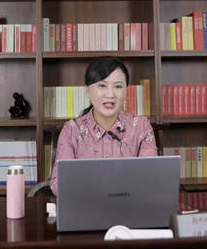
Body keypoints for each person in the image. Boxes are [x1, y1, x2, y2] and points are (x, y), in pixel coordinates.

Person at [49, 57, 158, 195]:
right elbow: (59, 185)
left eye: (118, 86)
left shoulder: (141, 127)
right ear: (88, 91)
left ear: (126, 91)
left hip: (131, 205)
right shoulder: (72, 130)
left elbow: (150, 179)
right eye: (102, 86)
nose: (110, 94)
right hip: (86, 206)